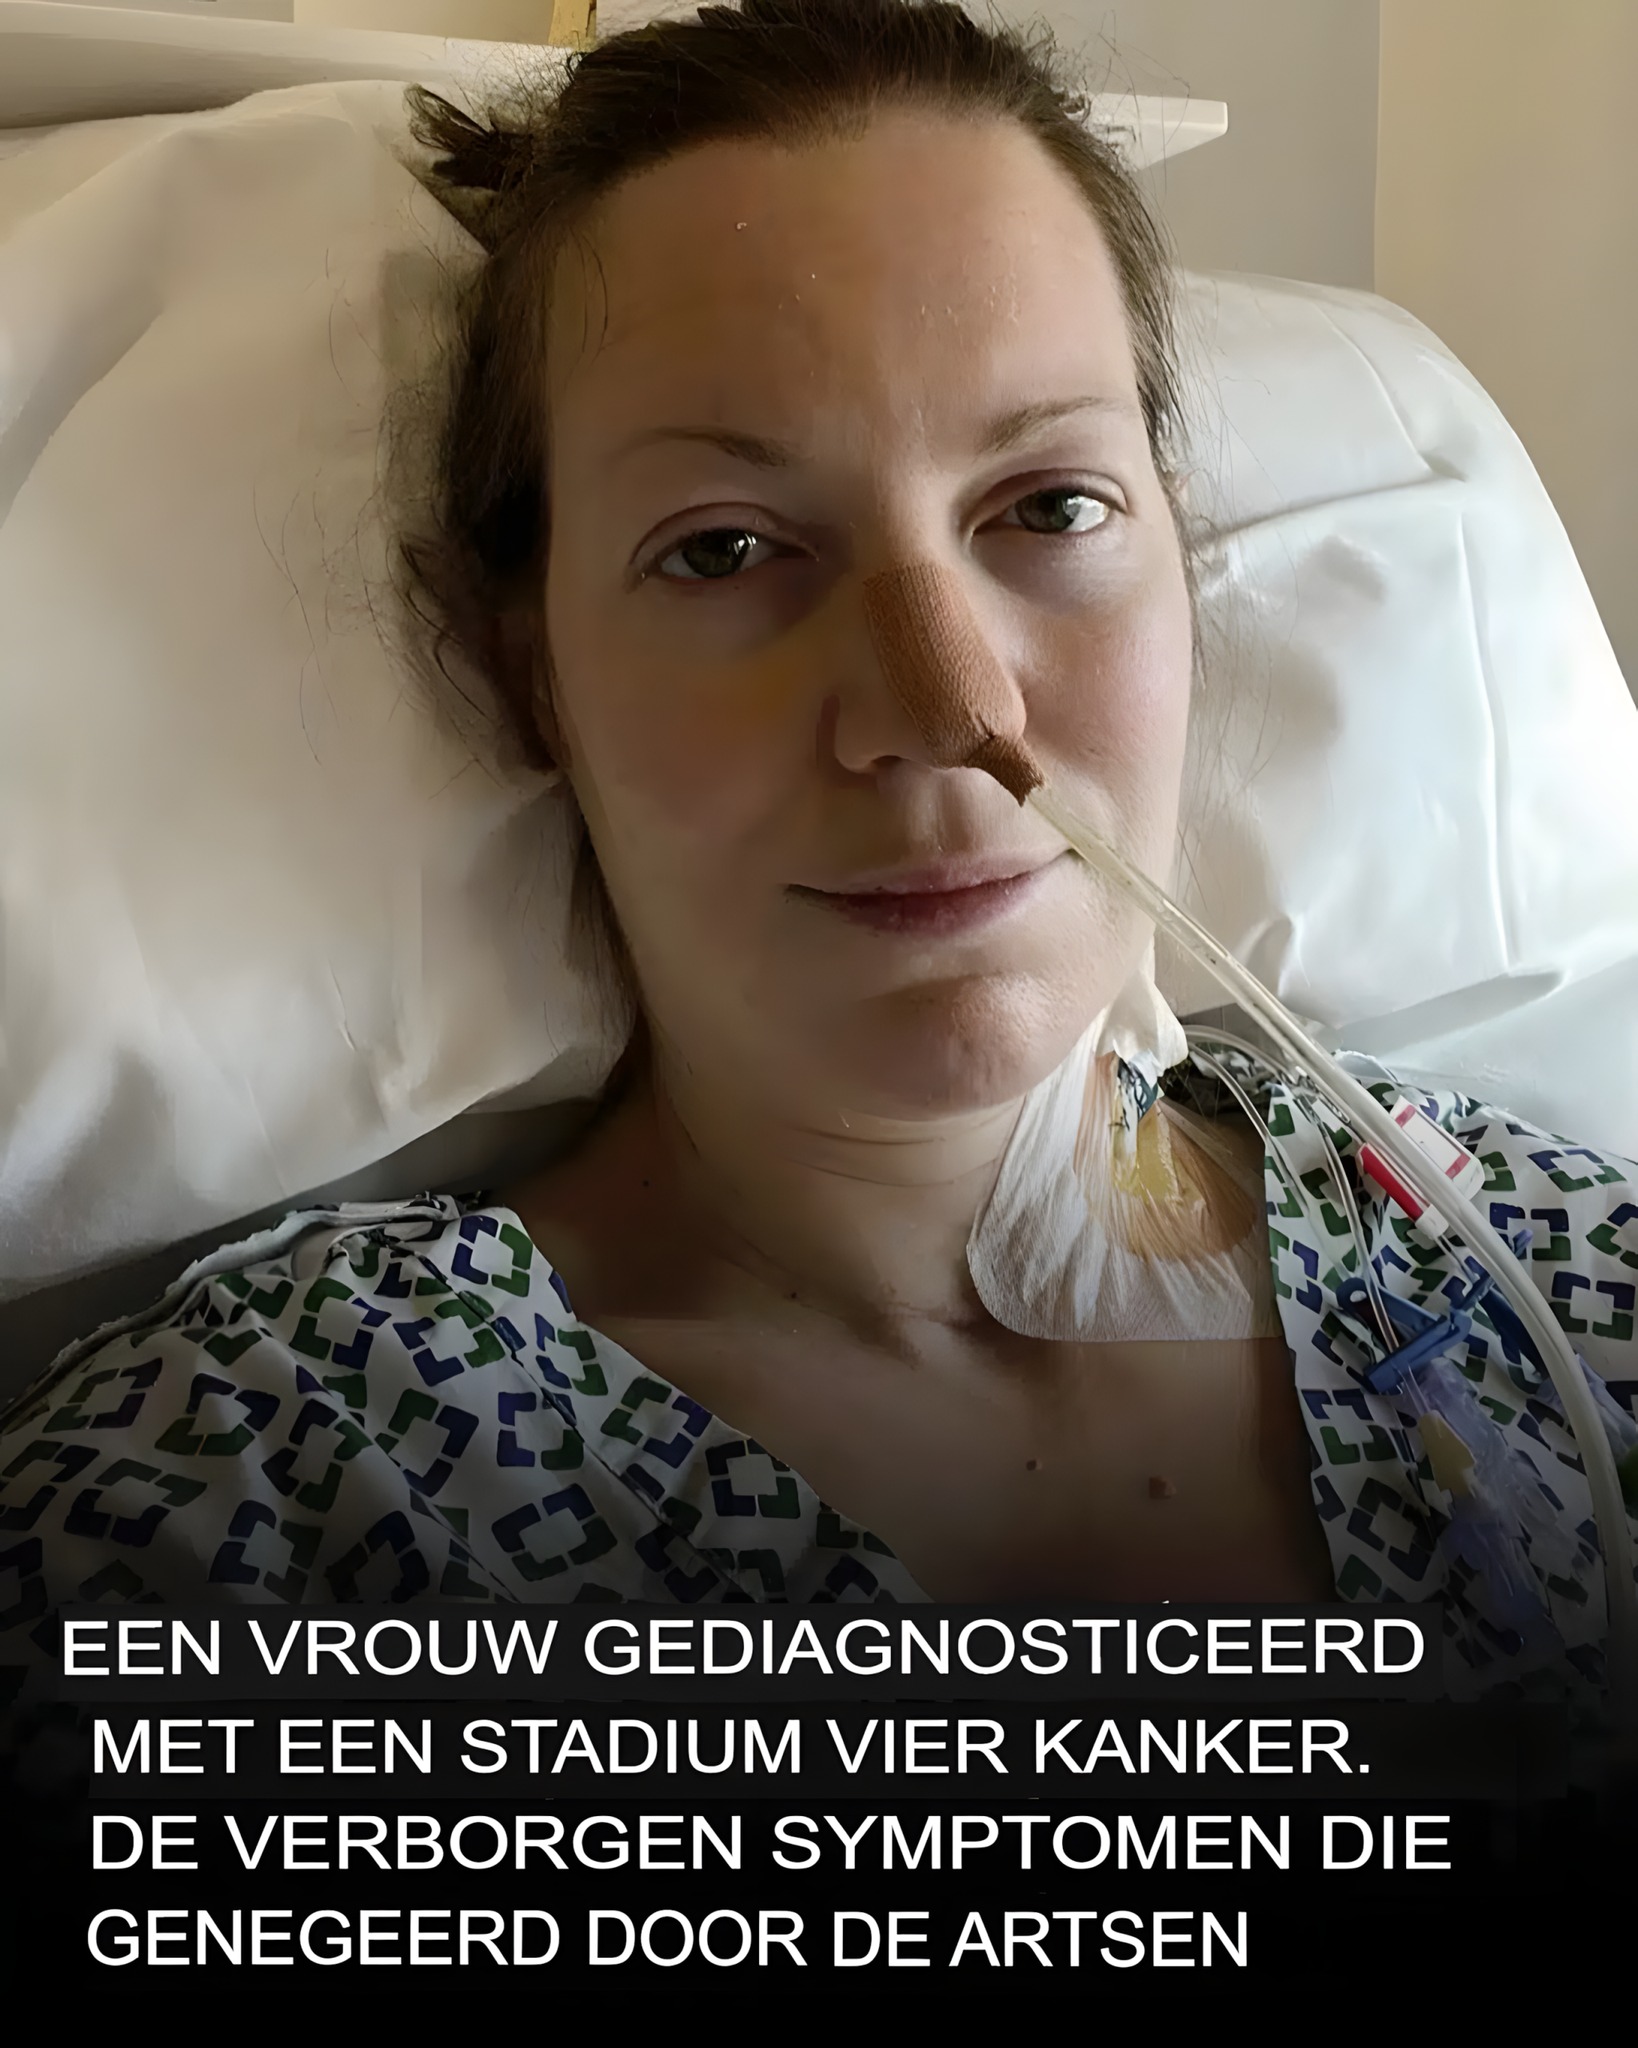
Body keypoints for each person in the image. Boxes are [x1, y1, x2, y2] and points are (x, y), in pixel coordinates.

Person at [1, 0, 1633, 1705]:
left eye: (1050, 506)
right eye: (722, 549)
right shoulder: (280, 1492)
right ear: (526, 670)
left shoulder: (1544, 1273)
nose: (943, 712)